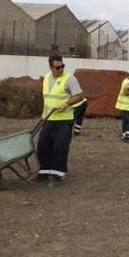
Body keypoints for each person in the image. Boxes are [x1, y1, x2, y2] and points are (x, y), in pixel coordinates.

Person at [37, 55, 84, 184]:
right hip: (48, 118)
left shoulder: (69, 79)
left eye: (62, 66)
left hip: (64, 120)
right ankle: (44, 171)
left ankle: (58, 173)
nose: (61, 69)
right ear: (51, 67)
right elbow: (46, 97)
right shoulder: (46, 78)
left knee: (60, 146)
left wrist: (66, 103)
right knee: (43, 146)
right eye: (57, 67)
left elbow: (79, 95)